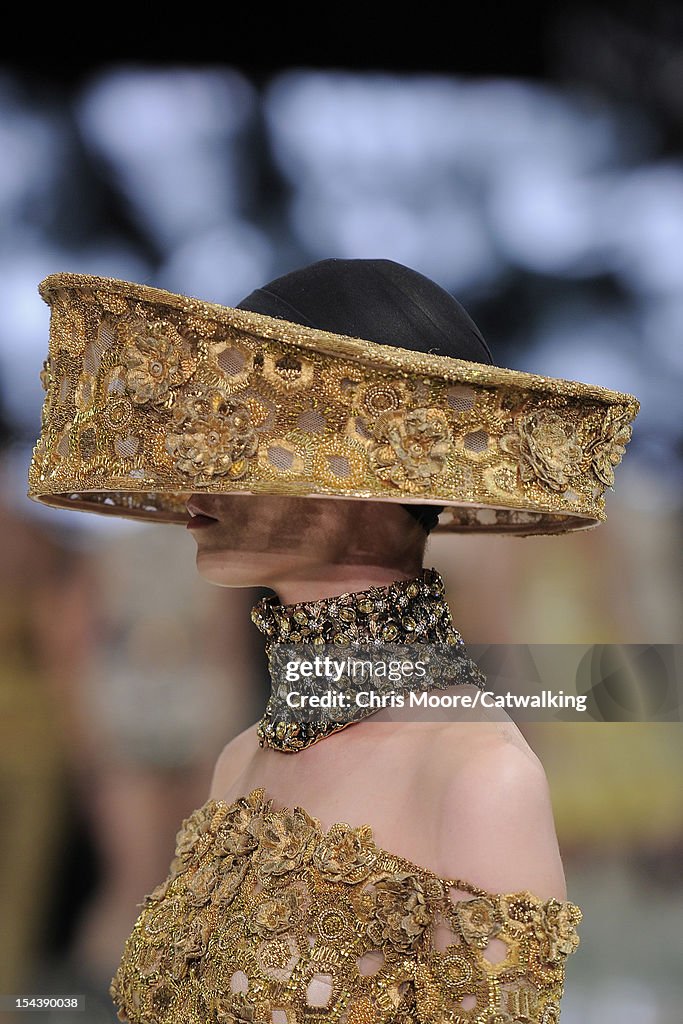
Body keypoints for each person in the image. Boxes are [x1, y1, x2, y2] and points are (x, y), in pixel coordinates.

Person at [28, 258, 640, 1023]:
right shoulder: (242, 759)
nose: (192, 486)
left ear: (372, 465)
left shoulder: (478, 780)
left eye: (242, 438)